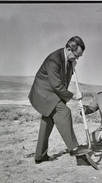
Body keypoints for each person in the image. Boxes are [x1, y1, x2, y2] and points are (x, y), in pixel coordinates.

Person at [29, 36, 91, 164]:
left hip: (53, 94)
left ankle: (40, 156)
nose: (77, 58)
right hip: (44, 93)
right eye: (76, 55)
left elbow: (65, 79)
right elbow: (57, 85)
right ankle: (74, 148)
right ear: (68, 49)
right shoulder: (54, 59)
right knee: (64, 112)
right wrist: (73, 96)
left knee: (47, 121)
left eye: (79, 56)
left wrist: (72, 67)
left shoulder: (68, 61)